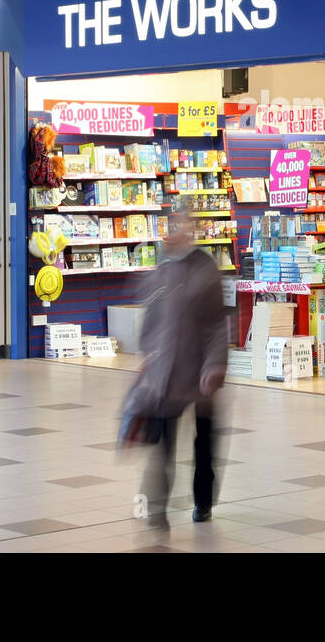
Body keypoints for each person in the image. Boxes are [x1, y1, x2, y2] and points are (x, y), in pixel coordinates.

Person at [135, 206, 229, 529]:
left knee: (204, 444)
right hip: (166, 374)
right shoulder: (160, 270)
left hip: (201, 374)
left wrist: (215, 364)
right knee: (162, 444)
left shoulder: (205, 268)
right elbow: (149, 318)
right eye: (173, 226)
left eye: (183, 226)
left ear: (192, 231)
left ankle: (203, 501)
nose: (177, 232)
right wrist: (147, 352)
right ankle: (157, 508)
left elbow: (217, 323)